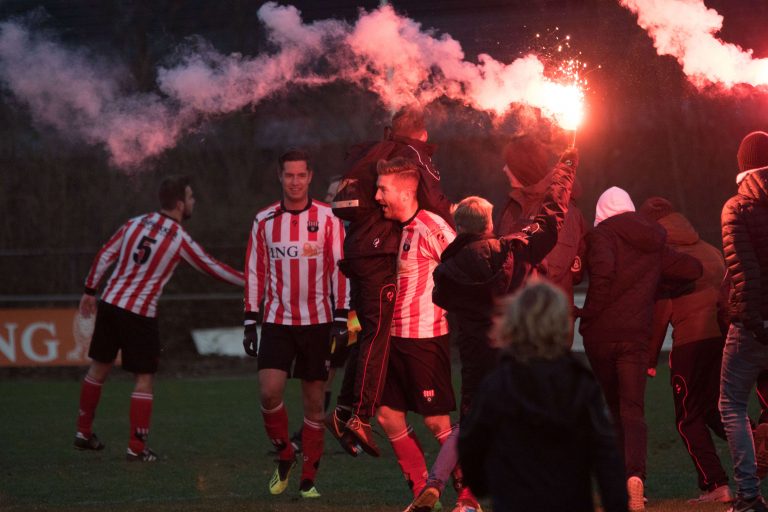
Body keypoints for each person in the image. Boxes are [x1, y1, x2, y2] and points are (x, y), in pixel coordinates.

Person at [405, 148, 578, 512]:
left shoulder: (446, 270)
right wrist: (565, 170)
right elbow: (549, 219)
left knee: (468, 424)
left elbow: (443, 298)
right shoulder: (509, 251)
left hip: (475, 356)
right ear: (487, 223)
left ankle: (443, 485)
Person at [74, 175, 245, 462]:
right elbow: (211, 267)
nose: (193, 202)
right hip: (139, 313)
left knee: (98, 369)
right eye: (190, 198)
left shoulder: (134, 223)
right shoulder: (178, 238)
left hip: (110, 303)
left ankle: (83, 431)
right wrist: (250, 281)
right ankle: (136, 448)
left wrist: (90, 291)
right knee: (144, 378)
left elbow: (105, 255)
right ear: (179, 204)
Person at [328, 106, 453, 457]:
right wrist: (448, 221)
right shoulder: (411, 153)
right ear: (423, 133)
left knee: (369, 332)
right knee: (377, 335)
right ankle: (360, 418)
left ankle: (341, 412)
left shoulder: (374, 150)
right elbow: (430, 195)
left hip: (356, 251)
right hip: (378, 255)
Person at [577, 186, 703, 511]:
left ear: (601, 211)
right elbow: (692, 270)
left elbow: (601, 277)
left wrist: (586, 315)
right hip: (635, 338)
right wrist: (659, 284)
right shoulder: (653, 241)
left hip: (601, 337)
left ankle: (621, 480)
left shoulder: (600, 236)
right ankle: (636, 478)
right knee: (633, 409)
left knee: (612, 408)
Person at [458, 281, 629, 512]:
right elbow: (606, 455)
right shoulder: (580, 383)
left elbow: (472, 444)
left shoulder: (498, 384)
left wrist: (482, 484)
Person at [243, 149, 350, 498]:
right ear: (280, 176)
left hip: (318, 323)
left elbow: (340, 269)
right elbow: (255, 271)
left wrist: (340, 317)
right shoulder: (263, 221)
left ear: (310, 176)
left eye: (300, 175)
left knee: (314, 403)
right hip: (276, 321)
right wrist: (249, 318)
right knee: (269, 391)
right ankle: (287, 454)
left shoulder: (328, 218)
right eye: (289, 175)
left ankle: (307, 480)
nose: (295, 181)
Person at [370, 156, 456, 504]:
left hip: (425, 340)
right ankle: (424, 495)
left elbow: (465, 264)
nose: (377, 196)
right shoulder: (393, 229)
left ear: (406, 193)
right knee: (388, 415)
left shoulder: (430, 227)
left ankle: (469, 497)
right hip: (393, 340)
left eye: (383, 189)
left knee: (437, 423)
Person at [640, 197, 732, 503]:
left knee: (688, 418)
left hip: (690, 346)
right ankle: (756, 445)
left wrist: (650, 359)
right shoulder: (711, 250)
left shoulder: (665, 257)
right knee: (719, 411)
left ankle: (715, 484)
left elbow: (661, 310)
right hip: (721, 340)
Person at [719, 131, 768, 512]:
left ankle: (748, 495)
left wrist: (755, 322)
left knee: (732, 403)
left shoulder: (737, 207)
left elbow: (744, 273)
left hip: (753, 326)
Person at [496, 134, 587, 319]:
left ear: (523, 168)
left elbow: (554, 267)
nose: (504, 169)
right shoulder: (512, 205)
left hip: (545, 324)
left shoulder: (564, 210)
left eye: (510, 164)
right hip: (515, 320)